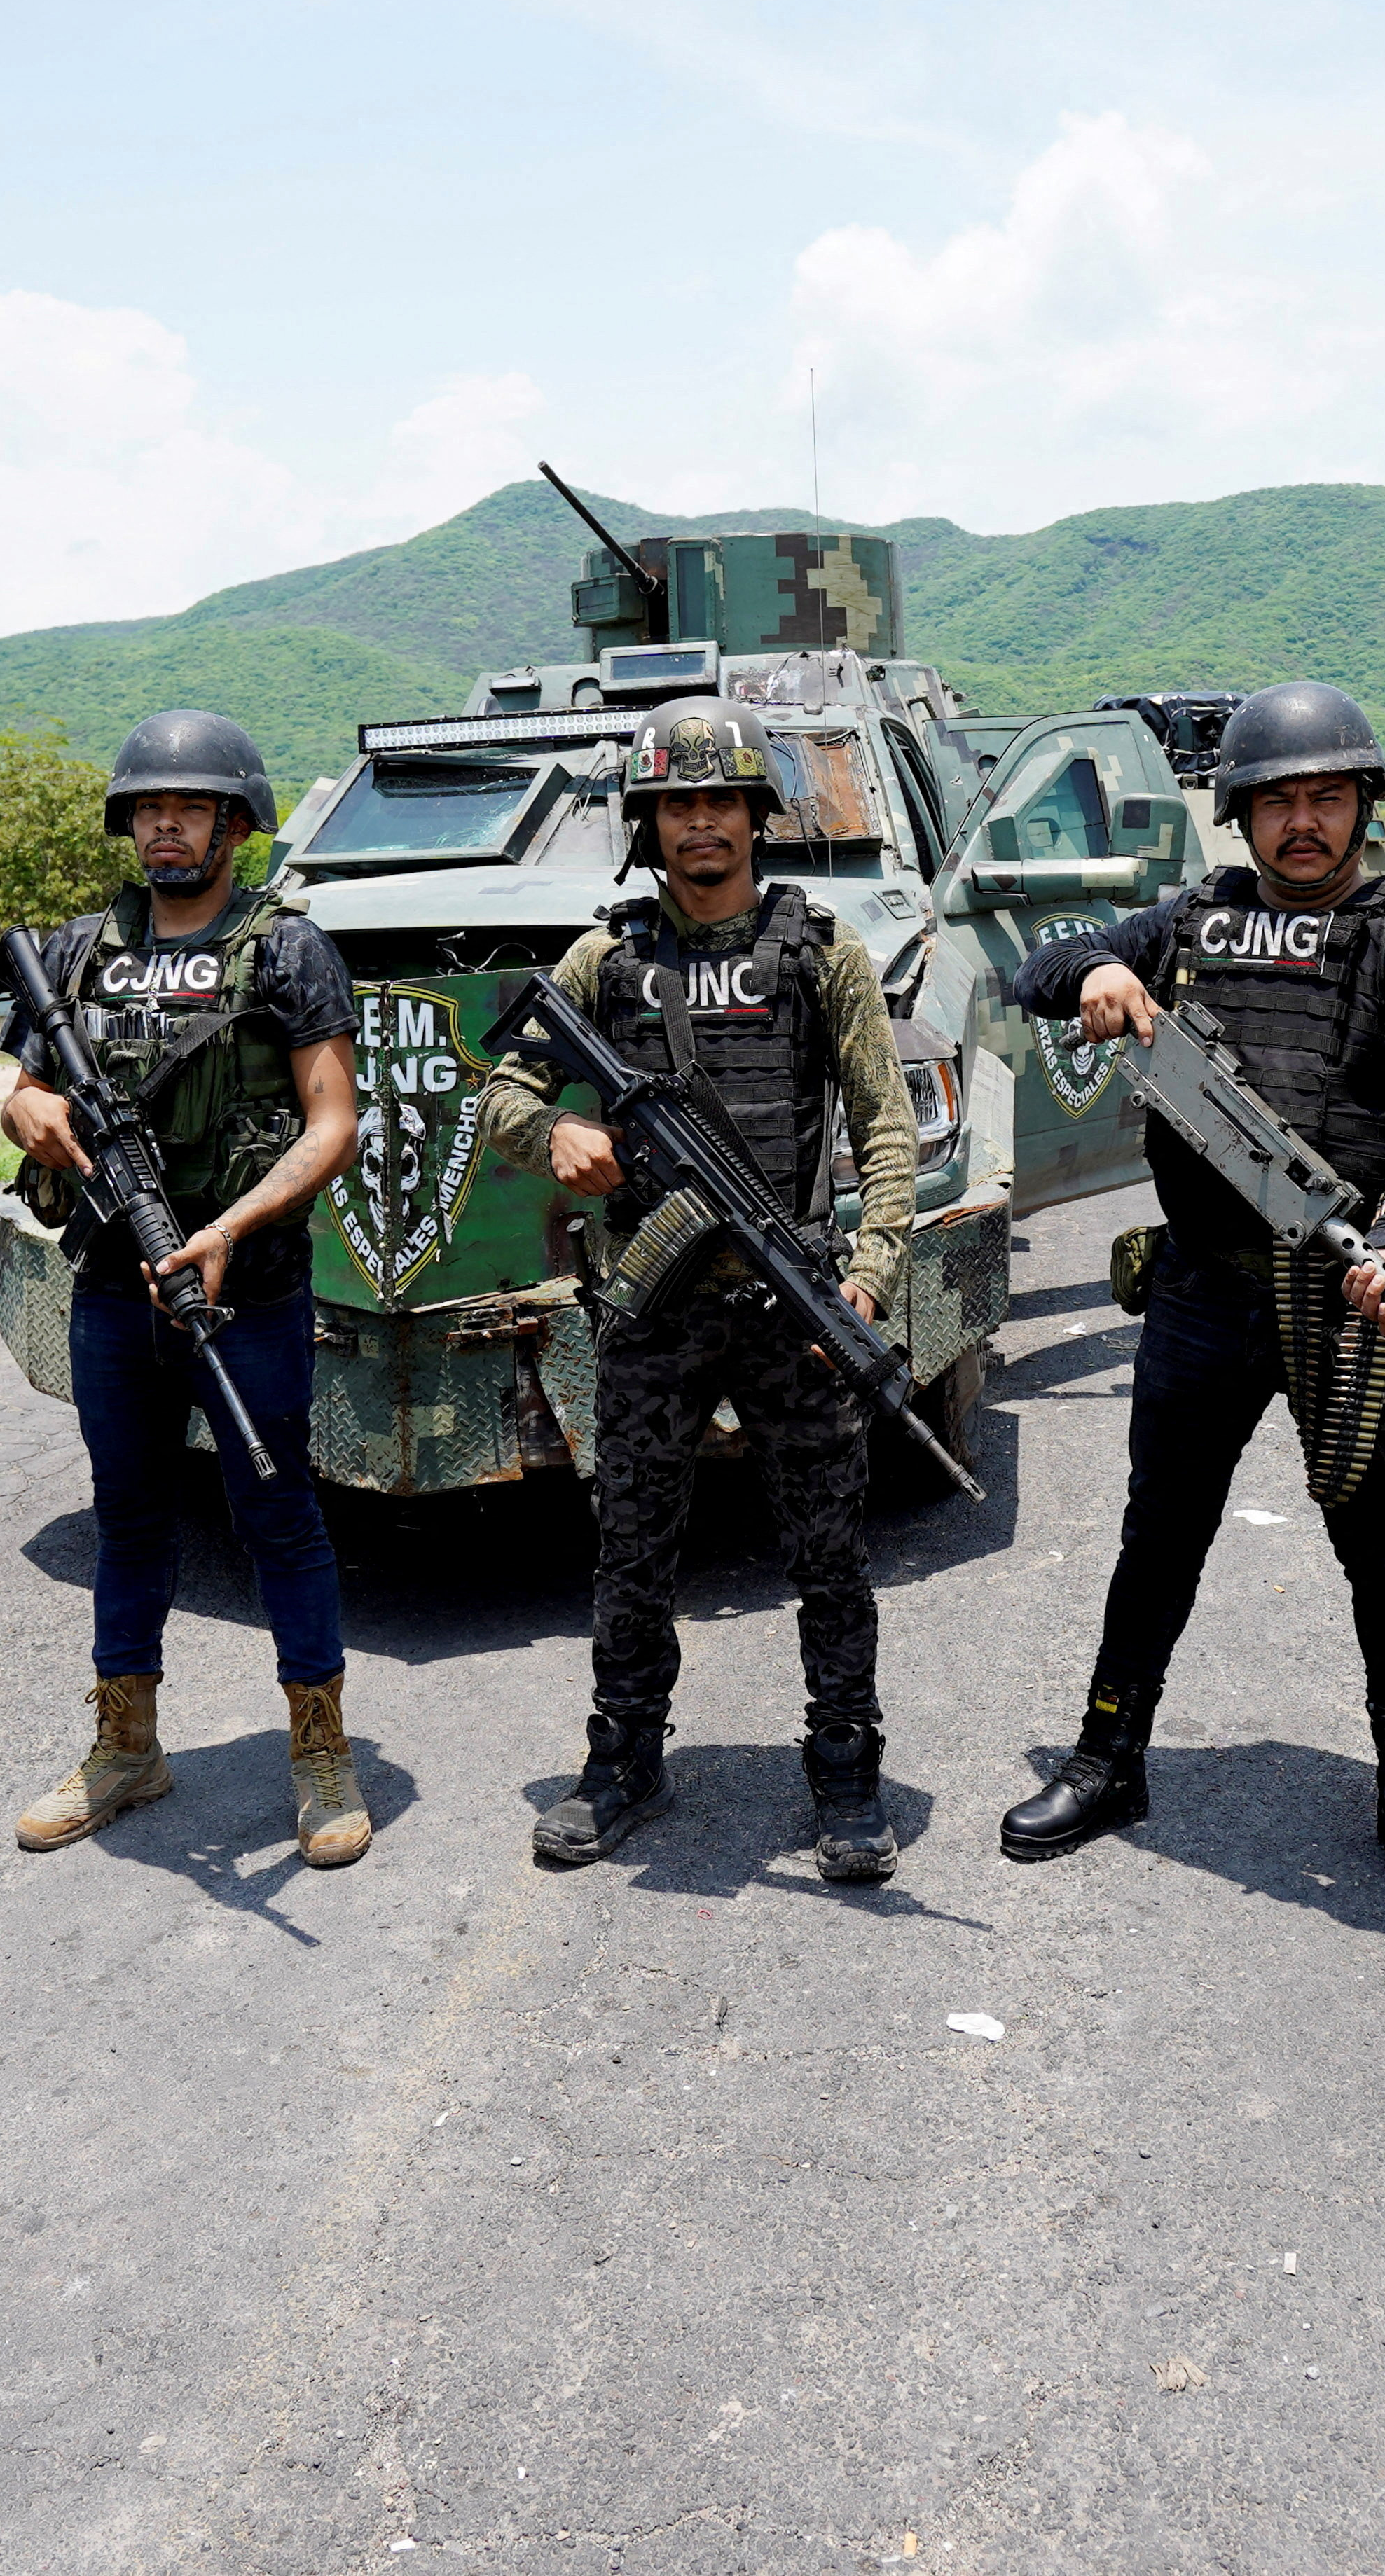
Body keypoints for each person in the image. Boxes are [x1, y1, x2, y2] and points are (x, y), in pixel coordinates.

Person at [994, 679, 1385, 1907]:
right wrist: (1097, 972)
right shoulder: (1193, 919)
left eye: (1327, 797)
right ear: (1241, 814)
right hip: (1205, 1292)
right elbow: (1036, 971)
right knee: (1159, 1535)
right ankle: (1107, 1758)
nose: (1303, 823)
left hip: (1350, 1301)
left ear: (1364, 805)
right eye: (1278, 801)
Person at [478, 694, 918, 1881]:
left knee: (830, 1552)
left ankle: (846, 1767)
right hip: (654, 1304)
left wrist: (871, 1273)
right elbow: (501, 1093)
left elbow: (885, 1129)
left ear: (756, 815)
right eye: (678, 804)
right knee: (633, 1547)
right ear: (649, 822)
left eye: (721, 799)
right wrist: (558, 1134)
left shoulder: (822, 952)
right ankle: (623, 1756)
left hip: (794, 1302)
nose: (701, 823)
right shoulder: (603, 960)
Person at [0, 712, 371, 1864]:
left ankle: (320, 1752)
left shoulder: (289, 950)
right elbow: (22, 1091)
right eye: (148, 808)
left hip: (244, 1289)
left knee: (277, 1512)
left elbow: (334, 1125)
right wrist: (32, 1113)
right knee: (130, 1515)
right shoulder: (78, 950)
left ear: (235, 824)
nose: (164, 826)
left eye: (189, 807)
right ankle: (127, 1745)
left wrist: (227, 1227)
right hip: (114, 1288)